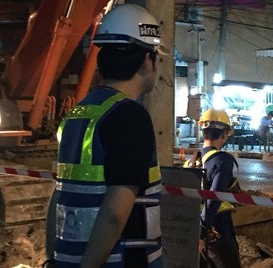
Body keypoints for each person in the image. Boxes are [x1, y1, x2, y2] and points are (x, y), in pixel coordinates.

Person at [45, 4, 167, 268]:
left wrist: (53, 259)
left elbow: (59, 196)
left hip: (67, 260)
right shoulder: (129, 116)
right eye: (157, 57)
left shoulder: (79, 114)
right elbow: (115, 211)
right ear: (148, 61)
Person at [194, 108, 243, 268]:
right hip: (217, 228)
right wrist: (202, 232)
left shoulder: (193, 160)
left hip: (193, 225)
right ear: (225, 134)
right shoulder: (222, 160)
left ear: (203, 132)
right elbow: (214, 198)